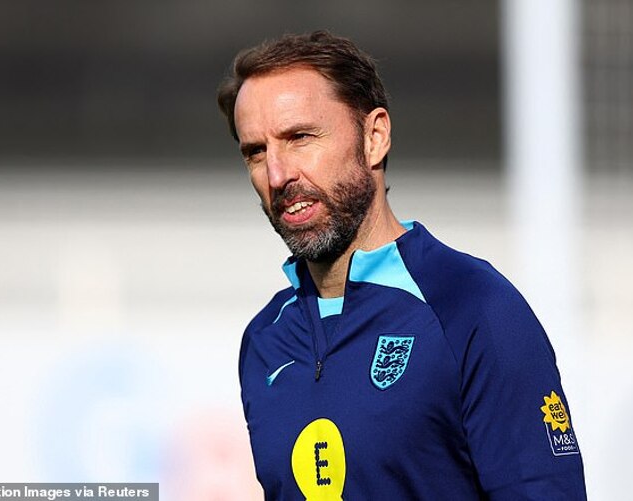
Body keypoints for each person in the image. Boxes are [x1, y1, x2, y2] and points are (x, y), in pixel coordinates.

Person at [217, 30, 587, 500]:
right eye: (256, 151)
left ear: (374, 138)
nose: (277, 174)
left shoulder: (472, 307)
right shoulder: (265, 340)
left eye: (300, 138)